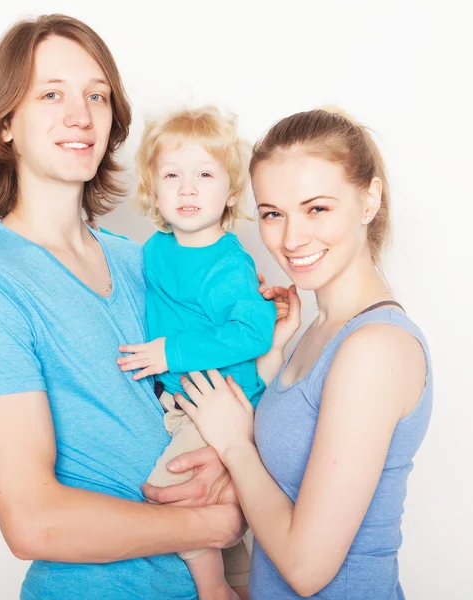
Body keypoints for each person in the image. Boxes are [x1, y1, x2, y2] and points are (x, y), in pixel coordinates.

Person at [0, 14, 244, 600]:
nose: (81, 115)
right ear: (4, 125)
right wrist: (215, 522)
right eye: (52, 94)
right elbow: (32, 520)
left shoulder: (143, 261)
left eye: (96, 96)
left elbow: (214, 392)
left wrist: (232, 463)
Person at [172, 108, 433, 599]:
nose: (291, 239)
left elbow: (307, 568)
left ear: (369, 200)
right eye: (273, 213)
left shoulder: (374, 349)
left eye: (317, 208)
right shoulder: (318, 333)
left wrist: (235, 447)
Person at [115, 106, 278, 599]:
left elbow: (254, 332)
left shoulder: (230, 262)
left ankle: (214, 591)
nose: (187, 189)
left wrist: (171, 352)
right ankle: (243, 585)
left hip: (219, 402)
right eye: (172, 175)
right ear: (153, 190)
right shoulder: (154, 251)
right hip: (180, 400)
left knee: (174, 493)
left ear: (230, 193)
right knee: (207, 498)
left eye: (205, 174)